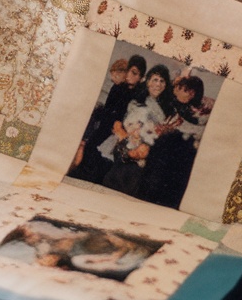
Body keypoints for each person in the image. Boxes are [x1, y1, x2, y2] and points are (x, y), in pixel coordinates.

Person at [69, 55, 147, 184]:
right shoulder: (118, 87)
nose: (129, 75)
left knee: (93, 149)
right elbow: (109, 109)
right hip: (108, 125)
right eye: (128, 71)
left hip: (122, 131)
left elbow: (130, 117)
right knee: (89, 146)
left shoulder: (138, 96)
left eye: (134, 73)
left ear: (140, 77)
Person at [103, 65, 173, 197]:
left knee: (129, 191)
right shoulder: (135, 101)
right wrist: (126, 140)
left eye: (162, 81)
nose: (157, 84)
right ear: (147, 82)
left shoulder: (167, 109)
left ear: (165, 85)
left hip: (144, 156)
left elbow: (162, 134)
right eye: (155, 80)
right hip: (124, 147)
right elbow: (120, 123)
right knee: (110, 186)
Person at [138, 75, 205, 208]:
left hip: (172, 160)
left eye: (193, 92)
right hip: (156, 152)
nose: (189, 95)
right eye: (185, 89)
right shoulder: (166, 103)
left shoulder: (194, 116)